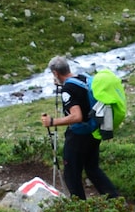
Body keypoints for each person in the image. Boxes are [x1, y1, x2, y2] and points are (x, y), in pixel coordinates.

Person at [40, 56, 120, 200]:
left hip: (78, 135)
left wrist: (52, 122)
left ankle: (80, 207)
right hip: (94, 130)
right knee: (92, 168)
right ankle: (114, 199)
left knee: (71, 173)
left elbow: (77, 116)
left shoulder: (68, 89)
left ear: (55, 73)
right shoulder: (84, 78)